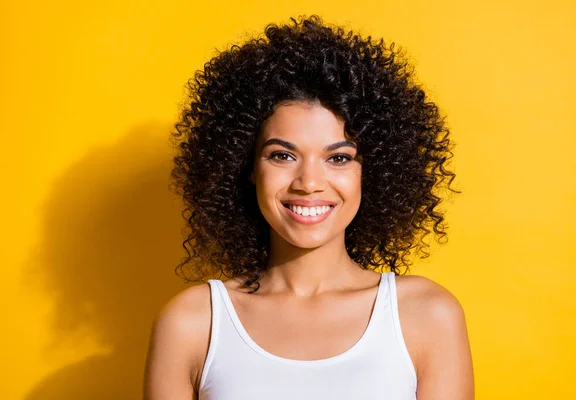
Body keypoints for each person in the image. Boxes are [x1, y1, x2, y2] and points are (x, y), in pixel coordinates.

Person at [144, 14, 474, 400]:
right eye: (282, 156)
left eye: (338, 158)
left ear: (374, 170)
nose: (309, 183)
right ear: (248, 166)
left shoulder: (427, 315)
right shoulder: (192, 323)